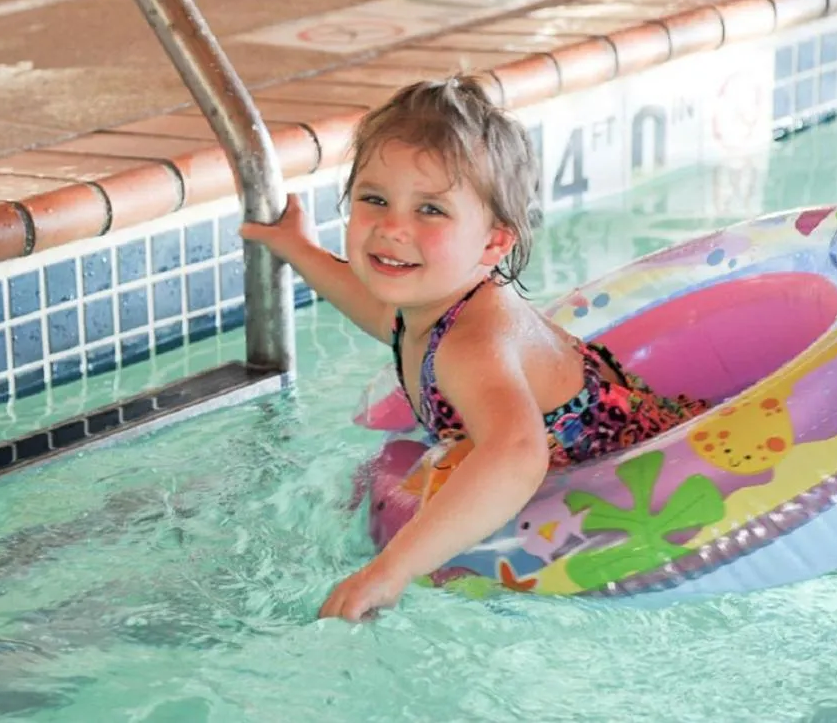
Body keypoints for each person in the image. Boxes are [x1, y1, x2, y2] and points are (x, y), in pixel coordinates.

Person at [240, 78, 708, 622]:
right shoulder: (430, 305)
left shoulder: (472, 344)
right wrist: (298, 248)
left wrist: (391, 569)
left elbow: (515, 455)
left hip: (633, 469)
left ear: (493, 243)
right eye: (374, 199)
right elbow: (375, 310)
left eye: (431, 211)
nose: (392, 228)